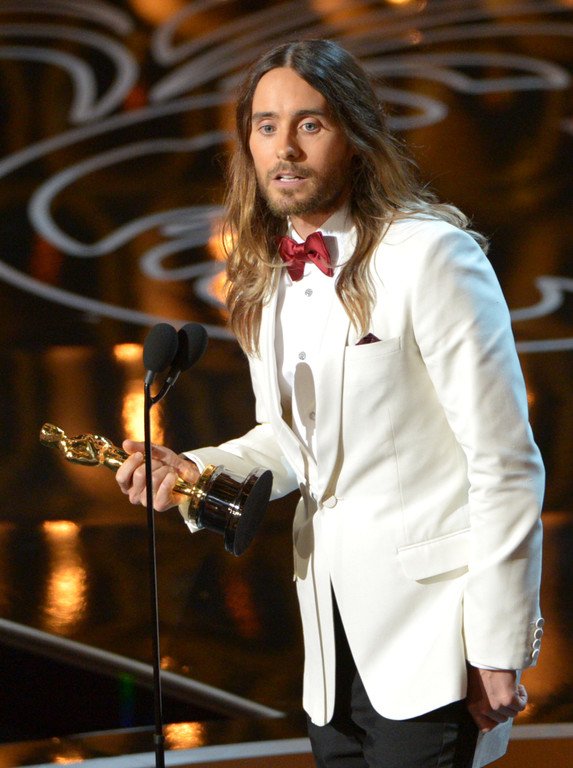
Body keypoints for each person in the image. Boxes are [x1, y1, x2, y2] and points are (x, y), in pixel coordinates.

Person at [115, 39, 544, 768]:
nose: (284, 147)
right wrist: (194, 469)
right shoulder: (263, 277)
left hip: (433, 642)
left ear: (354, 136)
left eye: (309, 124)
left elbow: (503, 462)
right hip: (330, 652)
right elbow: (290, 443)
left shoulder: (430, 256)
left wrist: (497, 646)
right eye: (266, 126)